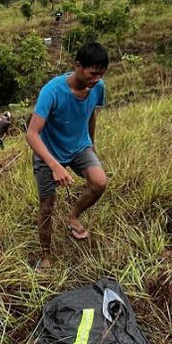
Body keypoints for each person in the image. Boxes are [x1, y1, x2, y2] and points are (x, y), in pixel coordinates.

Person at [25, 42, 109, 268]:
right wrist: (54, 165)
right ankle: (45, 256)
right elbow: (32, 134)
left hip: (79, 147)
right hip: (48, 152)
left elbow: (91, 114)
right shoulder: (51, 91)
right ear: (78, 66)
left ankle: (73, 216)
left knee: (99, 182)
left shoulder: (98, 87)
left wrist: (91, 144)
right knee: (47, 205)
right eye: (93, 74)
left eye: (101, 74)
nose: (96, 79)